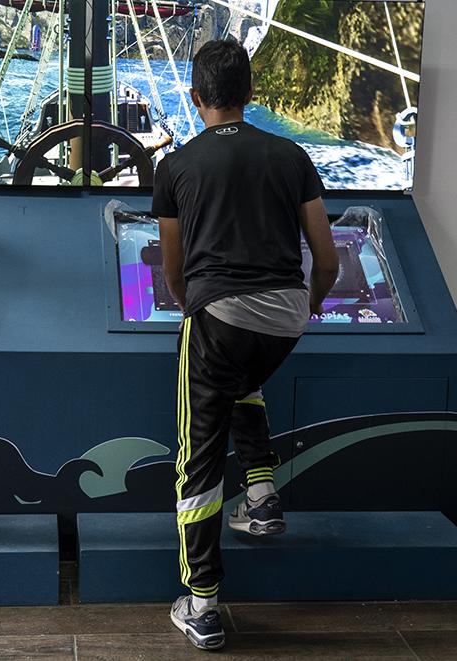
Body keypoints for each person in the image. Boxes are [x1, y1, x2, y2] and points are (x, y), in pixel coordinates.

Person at [153, 39, 339, 650]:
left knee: (197, 458)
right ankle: (261, 498)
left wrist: (192, 304)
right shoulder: (291, 155)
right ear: (251, 94)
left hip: (219, 314)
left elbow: (173, 270)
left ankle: (201, 603)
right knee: (244, 383)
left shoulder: (175, 167)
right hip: (285, 321)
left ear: (196, 96)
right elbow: (328, 259)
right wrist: (309, 302)